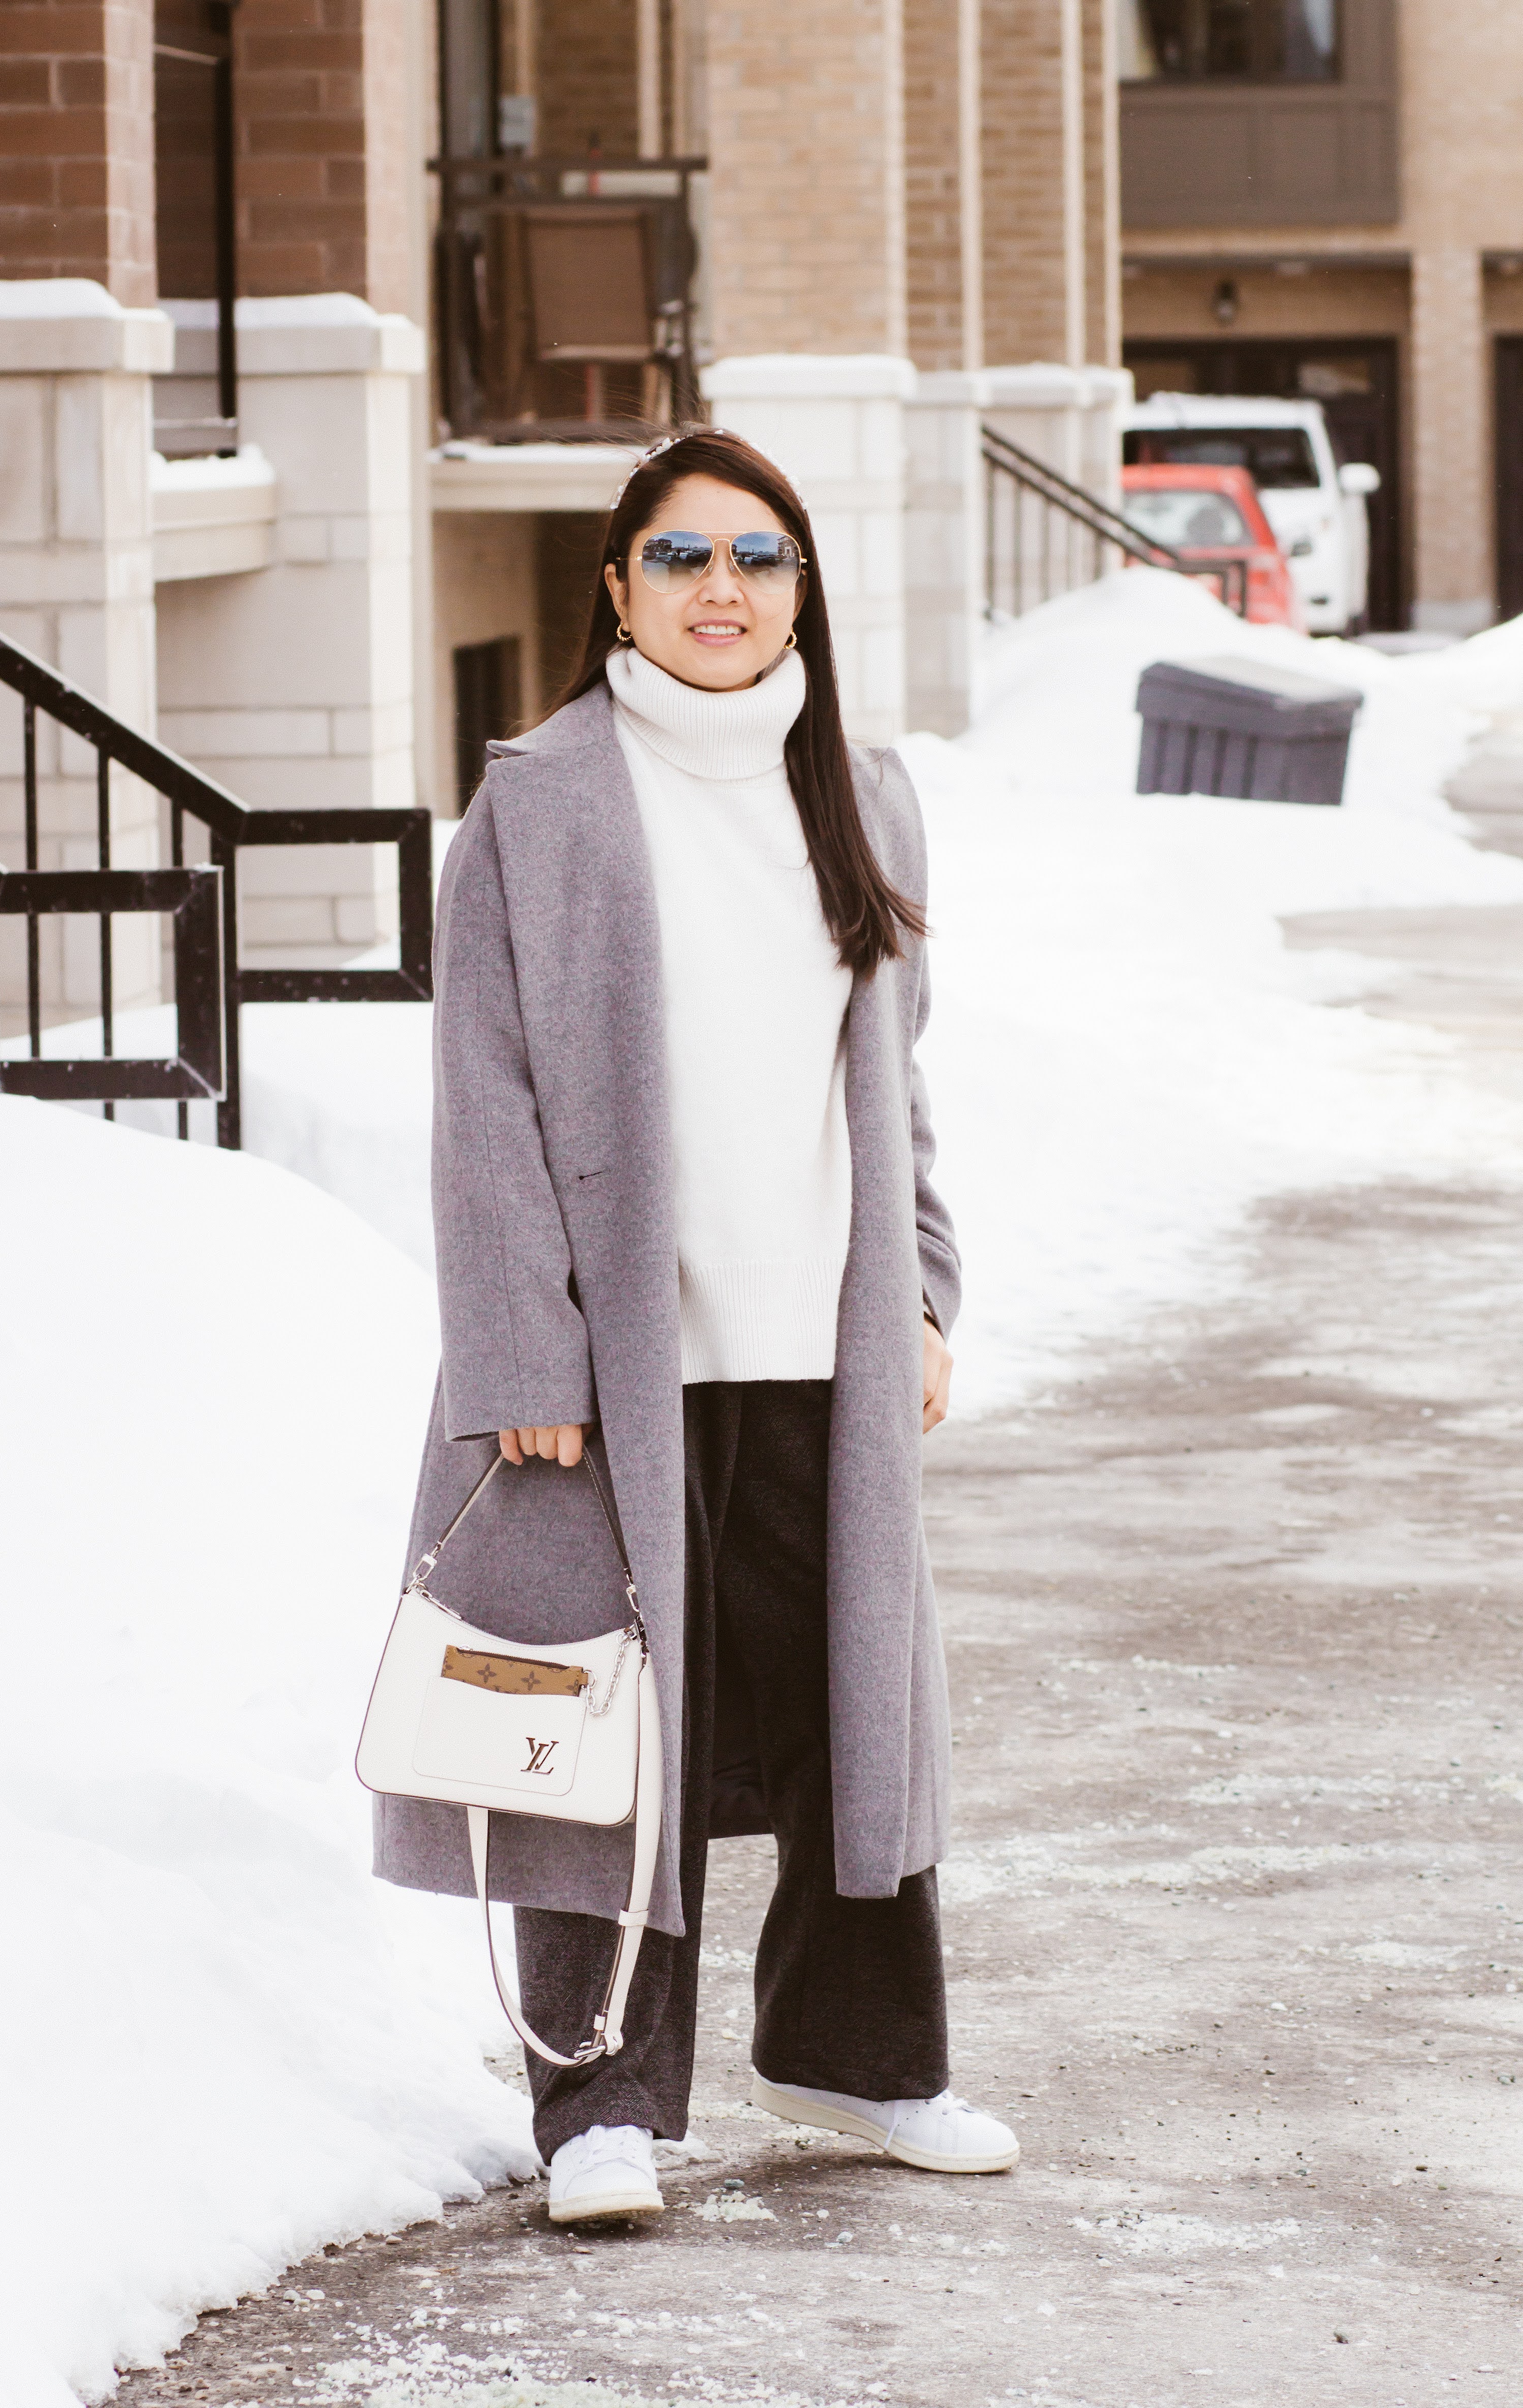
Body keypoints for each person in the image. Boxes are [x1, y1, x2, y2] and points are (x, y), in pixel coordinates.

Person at [372, 425, 1018, 2223]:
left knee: (849, 1722)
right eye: (678, 559)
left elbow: (890, 1080)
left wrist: (926, 1292)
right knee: (604, 1736)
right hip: (612, 1377)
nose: (718, 591)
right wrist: (520, 1354)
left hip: (822, 1348)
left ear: (800, 585)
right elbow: (480, 1100)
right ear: (616, 593)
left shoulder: (864, 794)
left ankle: (858, 2058)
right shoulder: (546, 798)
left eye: (754, 558)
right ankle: (595, 2106)